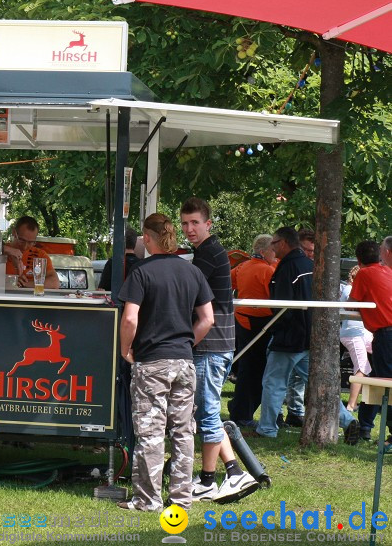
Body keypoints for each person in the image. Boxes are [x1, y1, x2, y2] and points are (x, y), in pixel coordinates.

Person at [117, 213, 214, 512]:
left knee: (150, 432)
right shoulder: (192, 272)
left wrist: (125, 349)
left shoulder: (140, 272)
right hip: (184, 362)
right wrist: (187, 343)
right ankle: (182, 498)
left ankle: (148, 499)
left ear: (147, 238)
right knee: (183, 432)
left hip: (151, 362)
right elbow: (208, 318)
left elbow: (130, 318)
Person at [180, 197, 258, 504]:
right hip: (217, 342)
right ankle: (234, 472)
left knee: (208, 411)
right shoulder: (206, 252)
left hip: (211, 344)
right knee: (207, 409)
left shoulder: (208, 255)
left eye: (195, 223)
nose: (189, 229)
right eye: (185, 223)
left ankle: (208, 481)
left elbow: (190, 298)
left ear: (208, 224)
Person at [255, 227, 359, 444]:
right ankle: (347, 420)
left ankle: (266, 428)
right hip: (310, 338)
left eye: (274, 243)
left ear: (283, 243)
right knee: (319, 383)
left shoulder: (287, 268)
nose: (272, 248)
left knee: (274, 383)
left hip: (288, 339)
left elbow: (281, 306)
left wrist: (279, 330)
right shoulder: (311, 266)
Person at [227, 234, 276, 427]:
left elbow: (228, 282)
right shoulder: (267, 271)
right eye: (273, 250)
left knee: (248, 369)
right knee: (257, 371)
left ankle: (240, 408)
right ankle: (242, 412)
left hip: (242, 320)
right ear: (263, 251)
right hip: (260, 323)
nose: (275, 253)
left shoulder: (242, 266)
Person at [350, 239, 392, 447]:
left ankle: (388, 433)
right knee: (376, 379)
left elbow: (352, 303)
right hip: (385, 334)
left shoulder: (364, 274)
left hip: (386, 335)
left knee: (385, 384)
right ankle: (365, 426)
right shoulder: (388, 271)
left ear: (359, 260)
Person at [281, 227, 317, 428]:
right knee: (281, 377)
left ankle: (293, 412)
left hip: (303, 332)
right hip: (291, 330)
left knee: (295, 377)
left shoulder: (314, 268)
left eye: (312, 251)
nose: (309, 254)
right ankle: (284, 413)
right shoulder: (290, 266)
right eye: (306, 249)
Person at [340, 265, 372, 412]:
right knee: (362, 367)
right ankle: (351, 405)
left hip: (360, 332)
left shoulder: (349, 289)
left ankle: (368, 400)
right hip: (352, 333)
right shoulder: (349, 290)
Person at [3, 216, 59, 289]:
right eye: (22, 240)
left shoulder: (40, 255)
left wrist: (24, 284)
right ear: (14, 232)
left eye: (31, 242)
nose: (25, 246)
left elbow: (54, 282)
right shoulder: (1, 251)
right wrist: (12, 281)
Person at [98, 227, 140, 291]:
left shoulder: (112, 263)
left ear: (119, 242)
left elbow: (101, 289)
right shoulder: (141, 264)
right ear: (135, 242)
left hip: (114, 300)